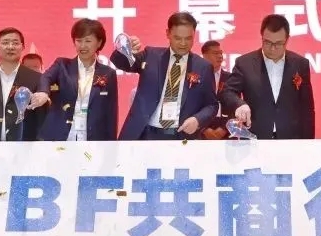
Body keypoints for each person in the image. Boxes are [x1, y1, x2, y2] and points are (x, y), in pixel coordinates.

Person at [111, 11, 218, 140]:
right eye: (177, 38)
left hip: (180, 135)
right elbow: (122, 63)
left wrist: (197, 119)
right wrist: (126, 50)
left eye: (188, 38)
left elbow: (212, 105)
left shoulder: (203, 67)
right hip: (145, 133)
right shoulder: (151, 55)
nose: (183, 43)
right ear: (168, 34)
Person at [221, 15, 315, 139]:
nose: (272, 48)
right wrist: (239, 104)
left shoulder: (300, 64)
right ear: (262, 37)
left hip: (291, 139)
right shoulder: (245, 63)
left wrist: (308, 142)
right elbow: (227, 92)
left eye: (278, 43)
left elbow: (307, 108)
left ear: (287, 39)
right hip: (254, 137)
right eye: (267, 42)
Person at [29, 19, 119, 141]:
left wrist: (111, 142)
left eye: (88, 41)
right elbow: (46, 77)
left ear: (99, 43)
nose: (82, 46)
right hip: (60, 135)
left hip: (93, 137)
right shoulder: (62, 65)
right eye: (78, 41)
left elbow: (111, 111)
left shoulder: (108, 73)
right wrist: (43, 92)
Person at [200, 40, 230, 139]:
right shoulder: (195, 77)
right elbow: (191, 106)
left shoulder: (231, 78)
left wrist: (224, 129)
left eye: (221, 53)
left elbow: (235, 107)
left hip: (226, 131)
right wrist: (203, 129)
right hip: (201, 130)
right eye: (215, 53)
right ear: (204, 56)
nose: (220, 56)